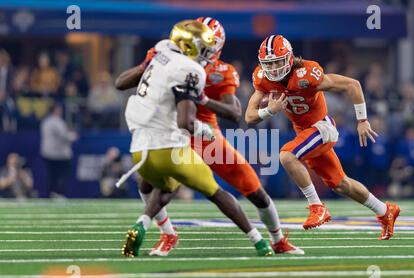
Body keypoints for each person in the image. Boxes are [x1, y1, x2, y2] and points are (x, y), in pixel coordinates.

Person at [115, 17, 303, 255]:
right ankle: (168, 234)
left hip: (206, 134)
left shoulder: (220, 71)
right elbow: (126, 83)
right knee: (151, 184)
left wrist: (203, 99)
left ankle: (277, 240)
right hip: (174, 131)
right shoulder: (165, 56)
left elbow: (234, 112)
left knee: (254, 189)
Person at [245, 35, 401, 240]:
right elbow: (249, 117)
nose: (273, 68)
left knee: (286, 155)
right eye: (269, 63)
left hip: (321, 128)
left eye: (277, 62)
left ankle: (316, 206)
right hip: (306, 134)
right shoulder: (263, 79)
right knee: (340, 184)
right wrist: (270, 112)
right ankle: (385, 210)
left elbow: (352, 85)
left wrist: (362, 120)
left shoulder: (307, 73)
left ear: (290, 59)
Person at [40, 104, 78, 198]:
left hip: (48, 153)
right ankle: (58, 193)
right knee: (61, 175)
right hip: (59, 154)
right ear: (55, 110)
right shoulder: (56, 121)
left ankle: (53, 192)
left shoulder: (46, 121)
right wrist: (73, 136)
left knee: (52, 175)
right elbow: (63, 135)